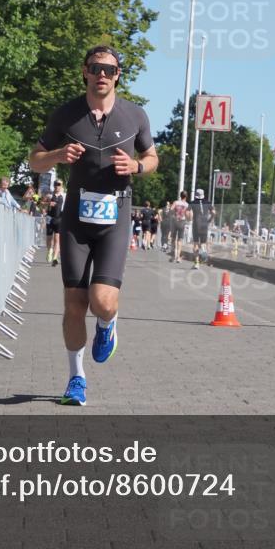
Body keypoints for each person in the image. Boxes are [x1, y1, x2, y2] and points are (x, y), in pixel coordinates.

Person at [28, 45, 158, 406]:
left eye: (109, 69)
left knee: (102, 302)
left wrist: (136, 167)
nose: (102, 74)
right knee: (74, 302)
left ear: (118, 76)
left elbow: (152, 158)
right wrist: (57, 155)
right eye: (95, 67)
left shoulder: (135, 116)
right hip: (75, 221)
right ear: (85, 71)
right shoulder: (67, 115)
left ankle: (106, 325)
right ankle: (76, 380)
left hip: (115, 217)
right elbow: (35, 160)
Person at [188, 188, 215, 269]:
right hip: (204, 224)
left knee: (196, 243)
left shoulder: (192, 203)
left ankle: (196, 263)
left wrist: (189, 219)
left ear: (196, 195)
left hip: (196, 224)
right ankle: (203, 249)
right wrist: (209, 220)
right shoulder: (208, 202)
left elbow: (187, 212)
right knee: (203, 243)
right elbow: (214, 212)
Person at [46, 179, 65, 266]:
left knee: (57, 239)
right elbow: (39, 203)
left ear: (62, 186)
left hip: (59, 219)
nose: (57, 186)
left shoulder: (64, 196)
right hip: (50, 218)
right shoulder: (49, 195)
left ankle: (55, 257)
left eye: (58, 184)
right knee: (49, 238)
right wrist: (48, 204)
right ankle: (49, 250)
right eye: (55, 184)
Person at [168, 191, 190, 263]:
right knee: (180, 240)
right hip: (182, 222)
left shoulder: (176, 202)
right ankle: (178, 257)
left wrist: (174, 214)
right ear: (186, 197)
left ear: (180, 196)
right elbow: (188, 215)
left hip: (175, 221)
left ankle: (173, 256)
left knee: (173, 239)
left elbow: (171, 210)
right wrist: (187, 219)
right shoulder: (187, 205)